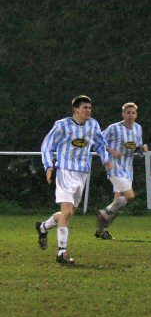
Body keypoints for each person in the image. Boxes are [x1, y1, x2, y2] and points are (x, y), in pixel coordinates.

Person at [37, 96, 113, 264]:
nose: (88, 111)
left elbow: (100, 144)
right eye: (85, 108)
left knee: (69, 213)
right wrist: (49, 166)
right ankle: (61, 252)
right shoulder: (62, 125)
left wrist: (106, 159)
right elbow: (47, 146)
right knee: (67, 212)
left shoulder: (93, 124)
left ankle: (43, 227)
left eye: (89, 108)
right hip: (65, 171)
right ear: (76, 110)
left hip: (82, 173)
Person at [96, 102, 149, 239]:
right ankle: (105, 212)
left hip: (127, 169)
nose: (130, 115)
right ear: (123, 114)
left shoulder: (138, 128)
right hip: (115, 167)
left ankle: (101, 230)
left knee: (119, 203)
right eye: (128, 112)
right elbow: (98, 140)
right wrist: (112, 151)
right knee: (130, 196)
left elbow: (136, 148)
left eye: (133, 113)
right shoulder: (114, 128)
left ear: (136, 115)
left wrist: (142, 149)